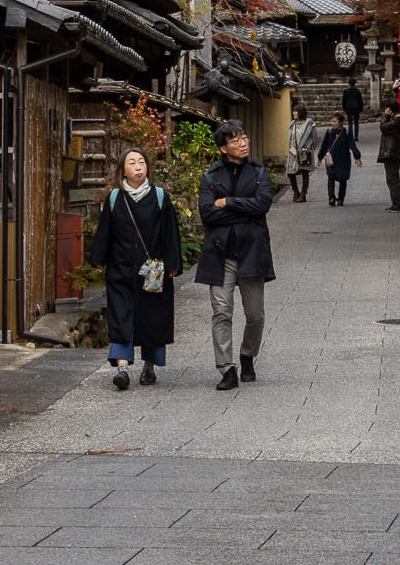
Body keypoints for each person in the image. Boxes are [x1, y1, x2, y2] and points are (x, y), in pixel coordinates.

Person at [89, 148, 183, 389]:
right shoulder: (114, 198)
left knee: (152, 317)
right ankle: (122, 368)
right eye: (132, 163)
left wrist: (173, 265)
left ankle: (149, 366)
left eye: (142, 162)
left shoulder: (160, 197)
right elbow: (105, 232)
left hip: (153, 271)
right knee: (120, 316)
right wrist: (98, 259)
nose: (138, 166)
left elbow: (170, 234)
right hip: (120, 269)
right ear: (123, 170)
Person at [194, 119, 274, 391]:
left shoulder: (259, 172)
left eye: (244, 138)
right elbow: (207, 213)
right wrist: (244, 211)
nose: (243, 143)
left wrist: (228, 202)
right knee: (221, 312)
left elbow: (263, 204)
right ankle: (227, 368)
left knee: (255, 315)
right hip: (220, 253)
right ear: (223, 148)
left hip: (252, 251)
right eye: (235, 140)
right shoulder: (211, 176)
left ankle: (247, 354)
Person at [318, 117, 362, 206]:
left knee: (343, 179)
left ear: (340, 122)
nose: (332, 123)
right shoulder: (329, 132)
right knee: (331, 178)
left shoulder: (346, 133)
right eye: (332, 121)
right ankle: (331, 197)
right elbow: (324, 146)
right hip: (331, 159)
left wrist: (357, 157)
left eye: (335, 121)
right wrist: (320, 157)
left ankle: (341, 198)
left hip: (343, 159)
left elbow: (352, 146)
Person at [284, 105, 320, 203]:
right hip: (293, 151)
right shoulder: (292, 123)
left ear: (301, 112)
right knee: (291, 172)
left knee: (305, 172)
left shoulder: (310, 124)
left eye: (296, 111)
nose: (294, 113)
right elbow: (290, 137)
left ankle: (303, 194)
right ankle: (296, 192)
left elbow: (315, 139)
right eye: (293, 111)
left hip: (304, 151)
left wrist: (309, 149)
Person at [377, 101, 400, 211]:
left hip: (392, 153)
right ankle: (397, 202)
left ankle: (398, 203)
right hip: (392, 153)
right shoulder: (397, 120)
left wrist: (385, 116)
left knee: (392, 179)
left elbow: (384, 127)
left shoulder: (397, 121)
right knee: (392, 179)